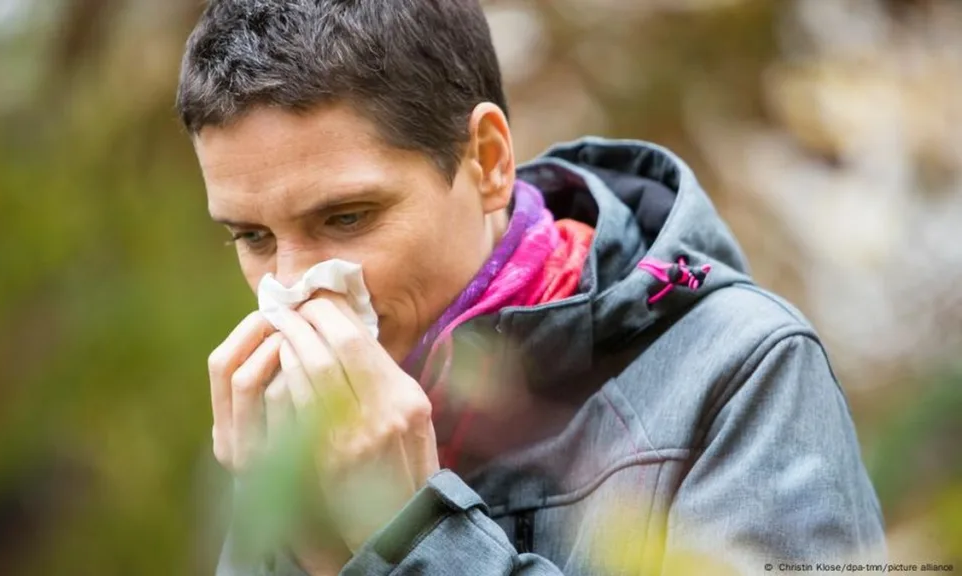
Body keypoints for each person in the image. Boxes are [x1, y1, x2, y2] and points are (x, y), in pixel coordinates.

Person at [176, 1, 886, 574]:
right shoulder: (295, 422)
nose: (294, 287)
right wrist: (309, 548)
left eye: (348, 216)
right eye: (253, 238)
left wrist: (411, 537)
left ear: (487, 161)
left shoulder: (741, 375)